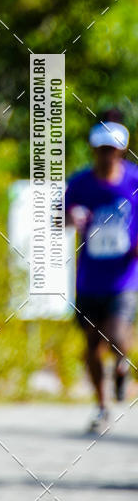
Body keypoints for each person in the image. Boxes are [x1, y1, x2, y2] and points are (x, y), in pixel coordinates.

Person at [65, 109, 137, 435]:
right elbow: (58, 220)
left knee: (119, 335)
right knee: (92, 346)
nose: (107, 155)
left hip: (125, 276)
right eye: (102, 149)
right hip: (89, 278)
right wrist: (70, 219)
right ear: (94, 149)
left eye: (113, 149)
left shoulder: (134, 182)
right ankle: (102, 404)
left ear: (122, 149)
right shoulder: (79, 184)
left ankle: (122, 364)